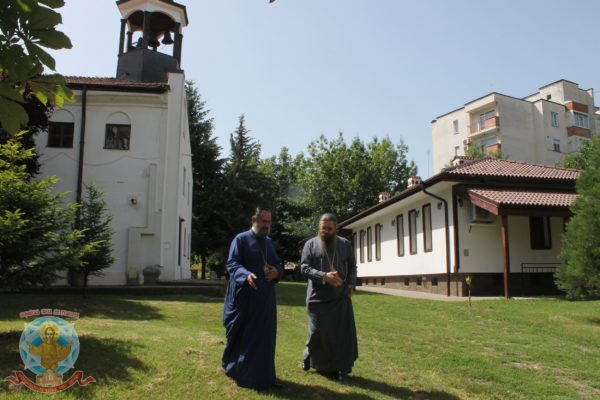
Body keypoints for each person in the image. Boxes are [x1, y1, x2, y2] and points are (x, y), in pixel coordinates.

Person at [222, 208, 284, 389]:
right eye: (264, 221)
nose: (267, 225)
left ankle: (264, 377)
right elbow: (232, 263)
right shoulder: (241, 239)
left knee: (264, 339)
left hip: (265, 300)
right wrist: (245, 275)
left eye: (269, 222)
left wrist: (277, 271)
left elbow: (278, 264)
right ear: (254, 220)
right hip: (245, 299)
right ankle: (241, 374)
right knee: (244, 338)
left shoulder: (269, 242)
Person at [300, 213, 358, 381]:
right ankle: (308, 354)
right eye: (323, 228)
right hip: (317, 297)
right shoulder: (310, 244)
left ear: (336, 229)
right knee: (316, 332)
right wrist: (324, 276)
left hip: (339, 297)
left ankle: (334, 367)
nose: (325, 231)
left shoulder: (345, 244)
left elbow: (353, 267)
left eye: (329, 228)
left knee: (337, 335)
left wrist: (350, 285)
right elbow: (304, 268)